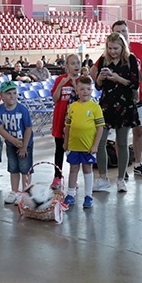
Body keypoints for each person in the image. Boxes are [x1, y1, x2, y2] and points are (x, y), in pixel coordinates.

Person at [93, 32, 139, 193]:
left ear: (122, 47)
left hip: (125, 105)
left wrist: (117, 78)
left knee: (122, 143)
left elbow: (135, 84)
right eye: (110, 48)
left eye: (116, 48)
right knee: (100, 142)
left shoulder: (130, 59)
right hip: (106, 105)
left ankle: (121, 179)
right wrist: (100, 78)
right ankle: (103, 177)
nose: (113, 51)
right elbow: (98, 86)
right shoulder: (103, 60)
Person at [111, 20, 142, 178]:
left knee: (139, 131)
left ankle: (138, 163)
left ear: (128, 32)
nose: (121, 34)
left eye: (124, 31)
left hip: (138, 99)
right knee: (120, 135)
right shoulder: (111, 52)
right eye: (118, 31)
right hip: (119, 101)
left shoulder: (140, 48)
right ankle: (122, 167)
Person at [63, 76, 103, 209]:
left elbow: (100, 128)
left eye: (88, 89)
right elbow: (67, 126)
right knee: (73, 169)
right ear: (77, 90)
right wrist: (66, 142)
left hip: (88, 147)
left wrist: (95, 145)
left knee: (87, 169)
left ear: (92, 90)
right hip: (74, 145)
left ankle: (88, 196)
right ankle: (70, 194)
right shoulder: (73, 106)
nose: (85, 91)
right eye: (82, 89)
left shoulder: (95, 107)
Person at [0, 81, 33, 205]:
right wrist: (13, 141)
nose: (12, 96)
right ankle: (15, 191)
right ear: (2, 96)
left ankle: (25, 193)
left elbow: (28, 128)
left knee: (25, 168)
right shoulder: (0, 109)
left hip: (25, 144)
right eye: (9, 93)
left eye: (14, 93)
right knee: (13, 168)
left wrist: (24, 147)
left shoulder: (22, 109)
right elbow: (0, 128)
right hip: (11, 144)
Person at [50, 54, 82, 187]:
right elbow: (55, 99)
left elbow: (83, 98)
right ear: (67, 66)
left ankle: (74, 176)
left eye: (78, 63)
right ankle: (57, 176)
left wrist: (75, 85)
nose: (76, 66)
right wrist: (60, 86)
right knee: (59, 149)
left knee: (75, 150)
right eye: (72, 63)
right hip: (60, 119)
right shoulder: (60, 79)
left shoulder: (82, 80)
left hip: (76, 121)